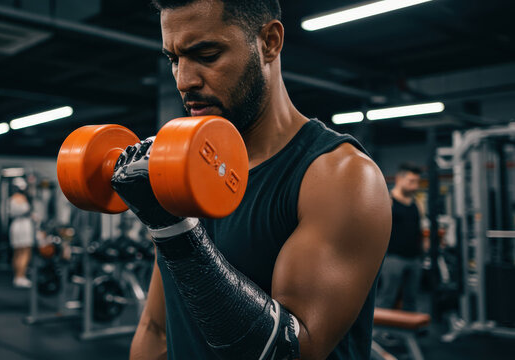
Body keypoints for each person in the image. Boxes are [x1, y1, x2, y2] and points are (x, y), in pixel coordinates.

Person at [120, 1, 392, 359]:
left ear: (269, 42)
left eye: (206, 54)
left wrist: (172, 228)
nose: (184, 80)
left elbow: (293, 350)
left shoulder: (340, 177)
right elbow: (156, 329)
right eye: (174, 59)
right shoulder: (185, 175)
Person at [377, 163, 424, 312]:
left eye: (417, 182)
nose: (415, 186)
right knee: (387, 298)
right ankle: (380, 333)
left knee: (411, 300)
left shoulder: (417, 203)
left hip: (414, 258)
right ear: (399, 179)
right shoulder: (387, 201)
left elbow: (421, 227)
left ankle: (409, 333)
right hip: (393, 258)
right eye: (411, 181)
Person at [8, 177, 33, 288]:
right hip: (23, 226)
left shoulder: (11, 198)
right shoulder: (22, 198)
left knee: (17, 252)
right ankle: (21, 276)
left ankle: (17, 276)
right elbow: (26, 211)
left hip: (15, 225)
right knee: (25, 251)